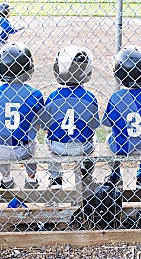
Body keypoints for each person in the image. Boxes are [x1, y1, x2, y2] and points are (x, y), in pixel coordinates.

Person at [0, 42, 44, 189]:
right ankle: (31, 179)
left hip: (0, 149)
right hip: (24, 149)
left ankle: (6, 179)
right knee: (33, 139)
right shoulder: (35, 94)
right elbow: (41, 123)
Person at [42, 46, 100, 189]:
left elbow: (45, 127)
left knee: (47, 138)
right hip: (83, 147)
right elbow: (94, 125)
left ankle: (55, 178)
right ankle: (85, 174)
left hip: (58, 147)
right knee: (94, 138)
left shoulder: (52, 97)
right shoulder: (90, 98)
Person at [102, 46, 141, 190]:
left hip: (122, 147)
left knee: (108, 138)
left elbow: (107, 122)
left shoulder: (116, 97)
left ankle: (115, 174)